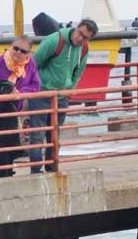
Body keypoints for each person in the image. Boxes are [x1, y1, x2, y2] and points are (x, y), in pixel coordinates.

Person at [26, 18, 98, 174]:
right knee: (36, 136)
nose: (80, 39)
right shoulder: (55, 40)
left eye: (85, 37)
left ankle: (52, 169)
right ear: (76, 27)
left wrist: (70, 88)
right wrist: (36, 86)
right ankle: (36, 172)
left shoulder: (84, 49)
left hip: (61, 97)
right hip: (41, 94)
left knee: (54, 136)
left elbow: (78, 73)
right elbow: (33, 64)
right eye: (80, 33)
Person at [0, 36, 40, 180]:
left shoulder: (30, 65)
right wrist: (2, 88)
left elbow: (35, 86)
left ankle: (3, 175)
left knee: (7, 144)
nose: (17, 52)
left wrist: (20, 93)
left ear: (28, 53)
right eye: (15, 48)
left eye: (22, 51)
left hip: (10, 111)